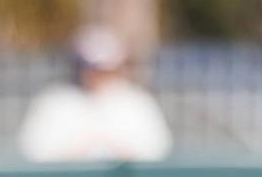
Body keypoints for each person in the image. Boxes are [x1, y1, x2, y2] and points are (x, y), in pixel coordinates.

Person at [18, 25, 173, 162]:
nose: (97, 75)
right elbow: (34, 151)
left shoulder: (138, 103)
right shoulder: (55, 102)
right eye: (91, 68)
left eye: (105, 69)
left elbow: (158, 150)